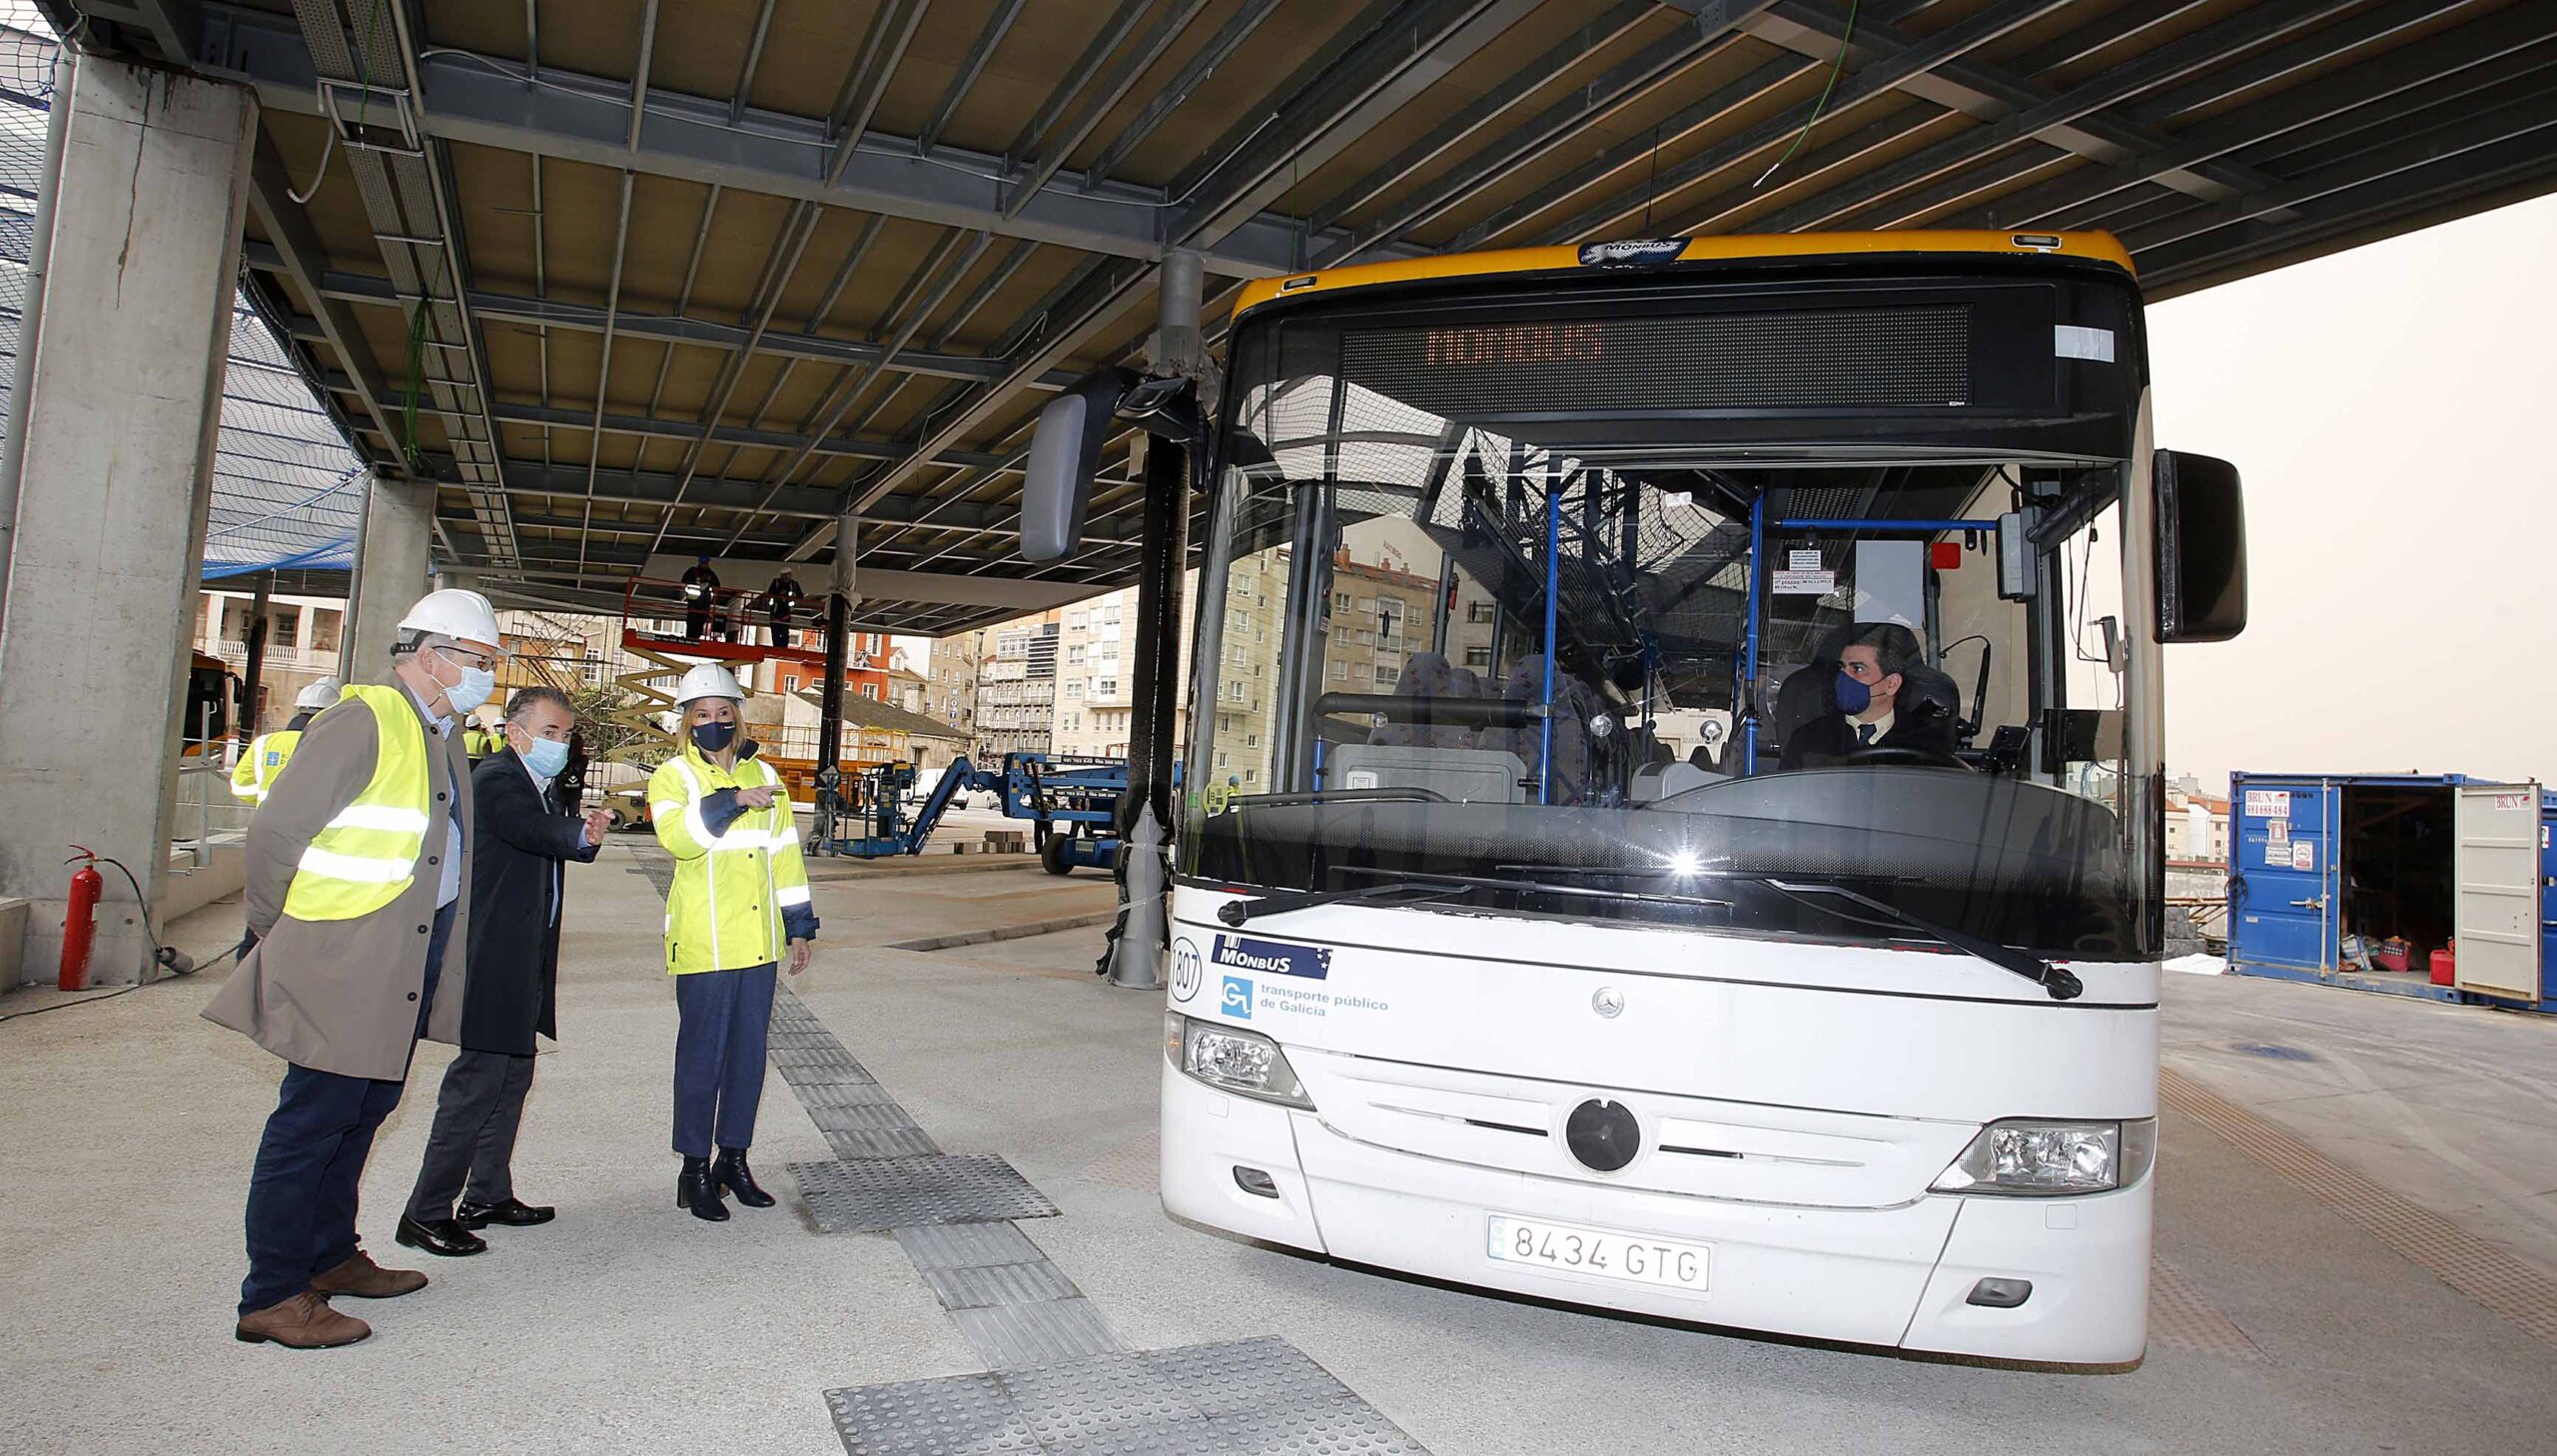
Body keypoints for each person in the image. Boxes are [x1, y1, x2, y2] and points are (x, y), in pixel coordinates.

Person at [204, 587, 500, 1350]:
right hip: (346, 956)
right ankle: (273, 1293)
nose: (486, 676)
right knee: (312, 1120)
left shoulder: (438, 732)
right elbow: (276, 834)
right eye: (480, 661)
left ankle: (330, 1257)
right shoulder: (364, 719)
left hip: (406, 952)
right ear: (433, 655)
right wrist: (278, 937)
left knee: (364, 1110)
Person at [397, 687, 611, 1257]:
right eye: (549, 733)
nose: (559, 745)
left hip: (520, 958)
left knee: (512, 1076)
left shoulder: (536, 784)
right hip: (490, 957)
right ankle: (425, 1212)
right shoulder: (498, 779)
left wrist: (574, 830)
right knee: (476, 1084)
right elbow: (526, 831)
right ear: (515, 731)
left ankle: (487, 1193)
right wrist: (577, 835)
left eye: (566, 736)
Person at [649, 664, 818, 1221]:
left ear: (737, 718)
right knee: (702, 1059)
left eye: (724, 713)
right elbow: (681, 840)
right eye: (703, 714)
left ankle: (733, 1159)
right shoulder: (674, 776)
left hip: (759, 942)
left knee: (747, 1058)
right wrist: (733, 800)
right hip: (706, 942)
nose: (715, 722)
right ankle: (693, 1168)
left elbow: (786, 856)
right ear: (686, 722)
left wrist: (799, 924)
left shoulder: (766, 772)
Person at [1779, 621, 1958, 769]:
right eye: (1842, 668)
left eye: (1857, 669)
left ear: (1891, 684)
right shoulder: (1809, 738)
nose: (1843, 678)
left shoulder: (1927, 742)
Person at [231, 677, 341, 805]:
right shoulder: (334, 747)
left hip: (267, 820)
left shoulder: (263, 743)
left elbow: (240, 787)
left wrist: (267, 794)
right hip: (311, 822)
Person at [679, 556, 721, 641]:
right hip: (693, 603)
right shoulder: (693, 571)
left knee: (700, 624)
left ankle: (694, 639)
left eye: (707, 563)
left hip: (704, 604)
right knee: (692, 623)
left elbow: (717, 586)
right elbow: (684, 581)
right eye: (704, 563)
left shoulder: (711, 574)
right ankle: (690, 639)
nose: (706, 565)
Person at [763, 568, 805, 650]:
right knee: (775, 632)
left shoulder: (794, 584)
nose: (786, 577)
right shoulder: (776, 583)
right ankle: (777, 647)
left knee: (784, 632)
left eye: (787, 575)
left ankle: (783, 648)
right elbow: (770, 594)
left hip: (786, 613)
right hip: (775, 612)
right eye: (784, 575)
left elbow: (800, 596)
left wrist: (792, 598)